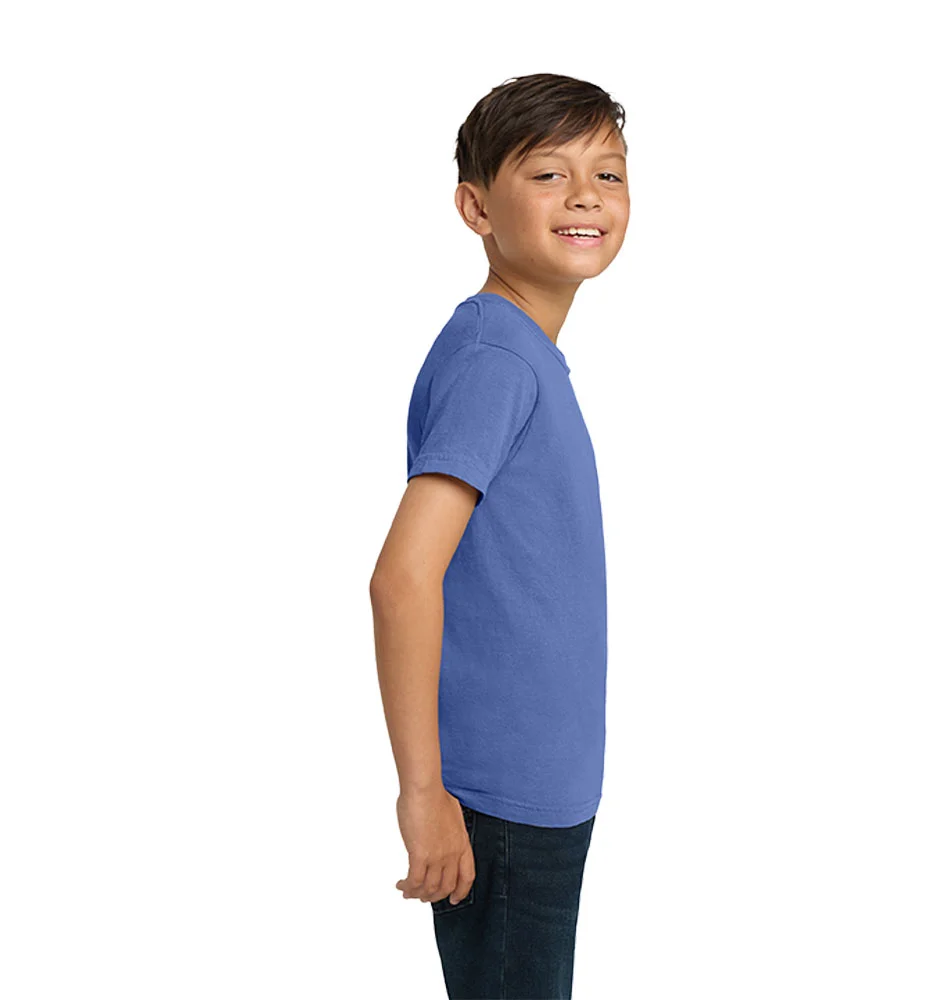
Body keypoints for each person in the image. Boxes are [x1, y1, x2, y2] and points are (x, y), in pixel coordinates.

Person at [369, 72, 630, 999]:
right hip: (500, 800)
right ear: (476, 208)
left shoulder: (522, 353)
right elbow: (403, 577)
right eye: (549, 174)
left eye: (607, 174)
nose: (586, 196)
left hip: (542, 787)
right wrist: (424, 794)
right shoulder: (496, 360)